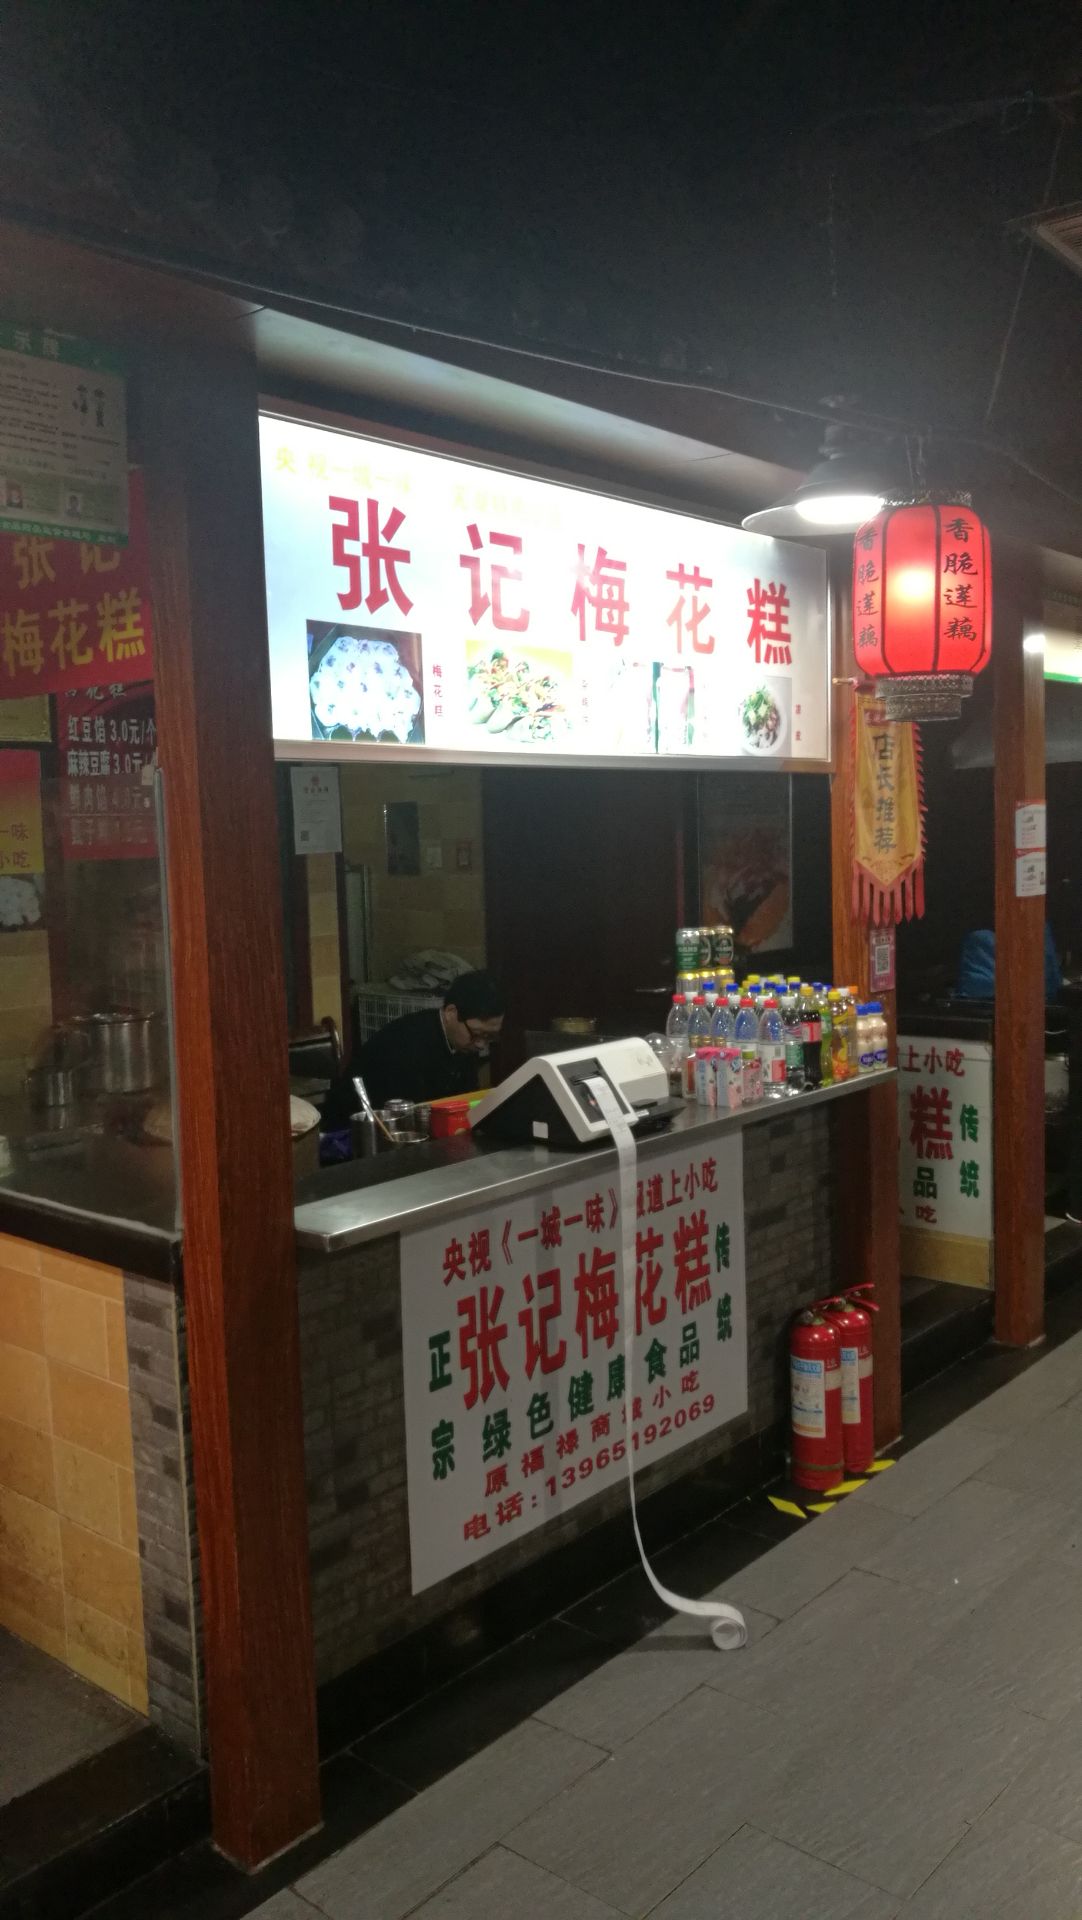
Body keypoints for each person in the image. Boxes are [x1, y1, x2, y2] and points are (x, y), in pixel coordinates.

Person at [354, 970, 505, 1109]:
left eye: (489, 1036)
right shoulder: (407, 1043)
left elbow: (466, 1098)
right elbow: (411, 1112)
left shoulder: (463, 1042)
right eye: (477, 1034)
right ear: (451, 1012)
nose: (481, 1045)